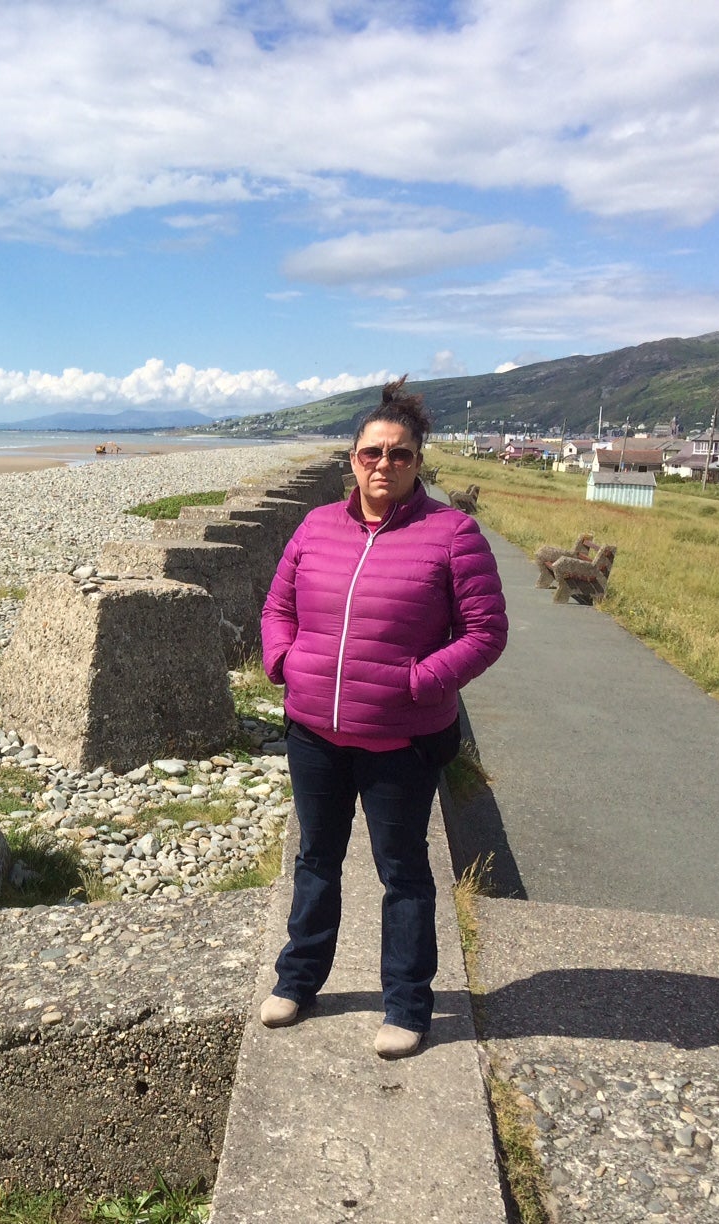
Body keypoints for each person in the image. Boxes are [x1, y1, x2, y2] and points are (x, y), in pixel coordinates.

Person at [256, 377, 507, 1058]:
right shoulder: (315, 527)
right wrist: (284, 662)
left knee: (402, 871)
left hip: (401, 738)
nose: (383, 465)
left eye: (398, 454)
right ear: (353, 458)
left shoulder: (452, 534)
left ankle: (407, 1005)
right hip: (313, 731)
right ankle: (298, 980)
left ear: (418, 461)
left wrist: (419, 682)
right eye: (371, 453)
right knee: (316, 859)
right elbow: (277, 607)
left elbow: (485, 633)